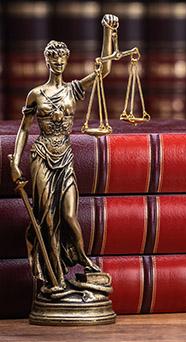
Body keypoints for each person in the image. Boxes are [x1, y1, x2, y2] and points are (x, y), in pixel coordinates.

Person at [9, 14, 119, 294]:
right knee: (46, 219)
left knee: (69, 216)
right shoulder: (36, 94)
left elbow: (102, 72)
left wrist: (107, 32)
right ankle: (54, 278)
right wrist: (15, 162)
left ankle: (83, 261)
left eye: (62, 59)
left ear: (66, 61)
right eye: (53, 59)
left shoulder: (73, 90)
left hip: (65, 157)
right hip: (43, 156)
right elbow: (24, 129)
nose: (58, 62)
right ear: (47, 61)